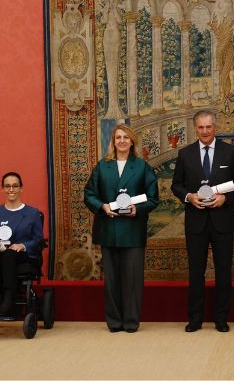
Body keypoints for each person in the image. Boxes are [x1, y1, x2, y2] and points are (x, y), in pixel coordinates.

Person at [171, 110, 234, 333]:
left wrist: (226, 198)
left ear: (215, 127)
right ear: (195, 128)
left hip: (222, 221)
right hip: (195, 222)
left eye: (209, 127)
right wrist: (189, 197)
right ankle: (195, 318)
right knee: (196, 271)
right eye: (201, 127)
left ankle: (221, 318)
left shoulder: (230, 152)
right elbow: (176, 185)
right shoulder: (185, 154)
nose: (205, 131)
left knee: (224, 270)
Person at [84, 124, 159, 333]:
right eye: (118, 137)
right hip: (108, 230)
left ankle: (131, 322)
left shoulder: (142, 167)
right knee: (111, 281)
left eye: (126, 137)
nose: (122, 141)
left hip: (133, 231)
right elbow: (89, 193)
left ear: (132, 141)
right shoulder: (102, 166)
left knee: (132, 280)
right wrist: (102, 206)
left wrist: (138, 208)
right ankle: (114, 322)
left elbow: (154, 198)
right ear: (113, 142)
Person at [0, 172, 44, 316]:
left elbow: (38, 239)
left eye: (15, 186)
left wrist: (23, 245)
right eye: (7, 186)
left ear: (21, 188)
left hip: (23, 255)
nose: (11, 189)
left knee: (9, 253)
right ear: (3, 189)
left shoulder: (32, 213)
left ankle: (9, 297)